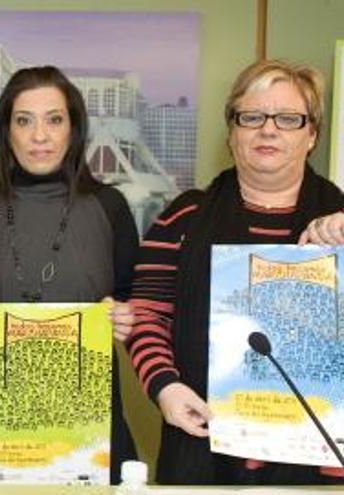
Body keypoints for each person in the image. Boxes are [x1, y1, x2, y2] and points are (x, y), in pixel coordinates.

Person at [126, 58, 344, 485]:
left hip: (320, 453)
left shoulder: (342, 221)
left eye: (287, 118)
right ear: (232, 132)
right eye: (252, 117)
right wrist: (165, 387)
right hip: (203, 443)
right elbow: (146, 315)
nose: (268, 129)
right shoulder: (183, 218)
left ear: (312, 134)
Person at [0, 66, 139, 483]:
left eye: (54, 119)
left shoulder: (110, 207)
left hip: (88, 419)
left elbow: (128, 298)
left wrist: (124, 316)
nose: (39, 136)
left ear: (74, 129)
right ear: (5, 131)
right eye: (24, 120)